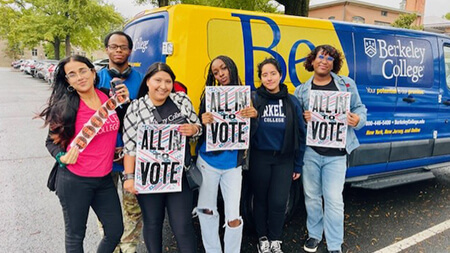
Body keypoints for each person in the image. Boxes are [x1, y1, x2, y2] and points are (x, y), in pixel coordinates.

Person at [39, 55, 125, 252]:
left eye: (83, 70)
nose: (79, 77)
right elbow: (50, 142)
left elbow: (118, 126)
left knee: (114, 231)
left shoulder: (107, 98)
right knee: (76, 236)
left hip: (104, 178)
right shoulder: (66, 106)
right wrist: (61, 157)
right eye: (72, 74)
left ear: (93, 72)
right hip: (75, 179)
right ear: (68, 81)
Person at [294, 45, 367, 253]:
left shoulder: (346, 85)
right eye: (320, 57)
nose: (324, 61)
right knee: (312, 196)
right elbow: (297, 124)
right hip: (311, 152)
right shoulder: (301, 90)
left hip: (337, 154)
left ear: (334, 64)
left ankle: (335, 243)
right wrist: (304, 118)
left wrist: (358, 119)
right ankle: (315, 235)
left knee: (334, 199)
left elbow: (359, 108)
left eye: (329, 59)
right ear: (312, 61)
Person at [122, 62, 201, 253]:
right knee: (153, 223)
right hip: (149, 176)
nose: (163, 86)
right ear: (148, 81)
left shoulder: (181, 101)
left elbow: (198, 128)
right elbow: (130, 147)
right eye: (158, 80)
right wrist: (129, 178)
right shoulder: (136, 108)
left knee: (183, 226)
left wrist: (194, 129)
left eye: (168, 81)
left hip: (178, 175)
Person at [196, 55, 257, 253]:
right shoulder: (209, 95)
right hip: (207, 162)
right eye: (215, 72)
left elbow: (251, 134)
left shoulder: (248, 97)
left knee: (233, 216)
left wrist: (254, 117)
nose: (221, 74)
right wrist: (202, 120)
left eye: (223, 68)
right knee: (206, 211)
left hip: (233, 165)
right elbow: (200, 132)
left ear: (232, 67)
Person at [250, 58, 306, 253]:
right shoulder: (254, 99)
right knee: (260, 199)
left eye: (272, 73)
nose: (269, 78)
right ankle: (263, 238)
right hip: (260, 158)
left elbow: (301, 133)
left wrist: (298, 164)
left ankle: (275, 239)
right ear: (260, 78)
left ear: (280, 75)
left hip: (284, 159)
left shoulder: (291, 101)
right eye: (264, 75)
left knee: (279, 202)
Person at [97, 31, 143, 253]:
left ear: (129, 51)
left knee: (133, 207)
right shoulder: (96, 78)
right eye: (113, 46)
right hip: (103, 156)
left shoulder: (142, 79)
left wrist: (130, 101)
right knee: (106, 208)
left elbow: (149, 113)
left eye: (123, 47)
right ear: (106, 49)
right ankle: (111, 247)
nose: (118, 51)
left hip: (132, 156)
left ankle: (129, 248)